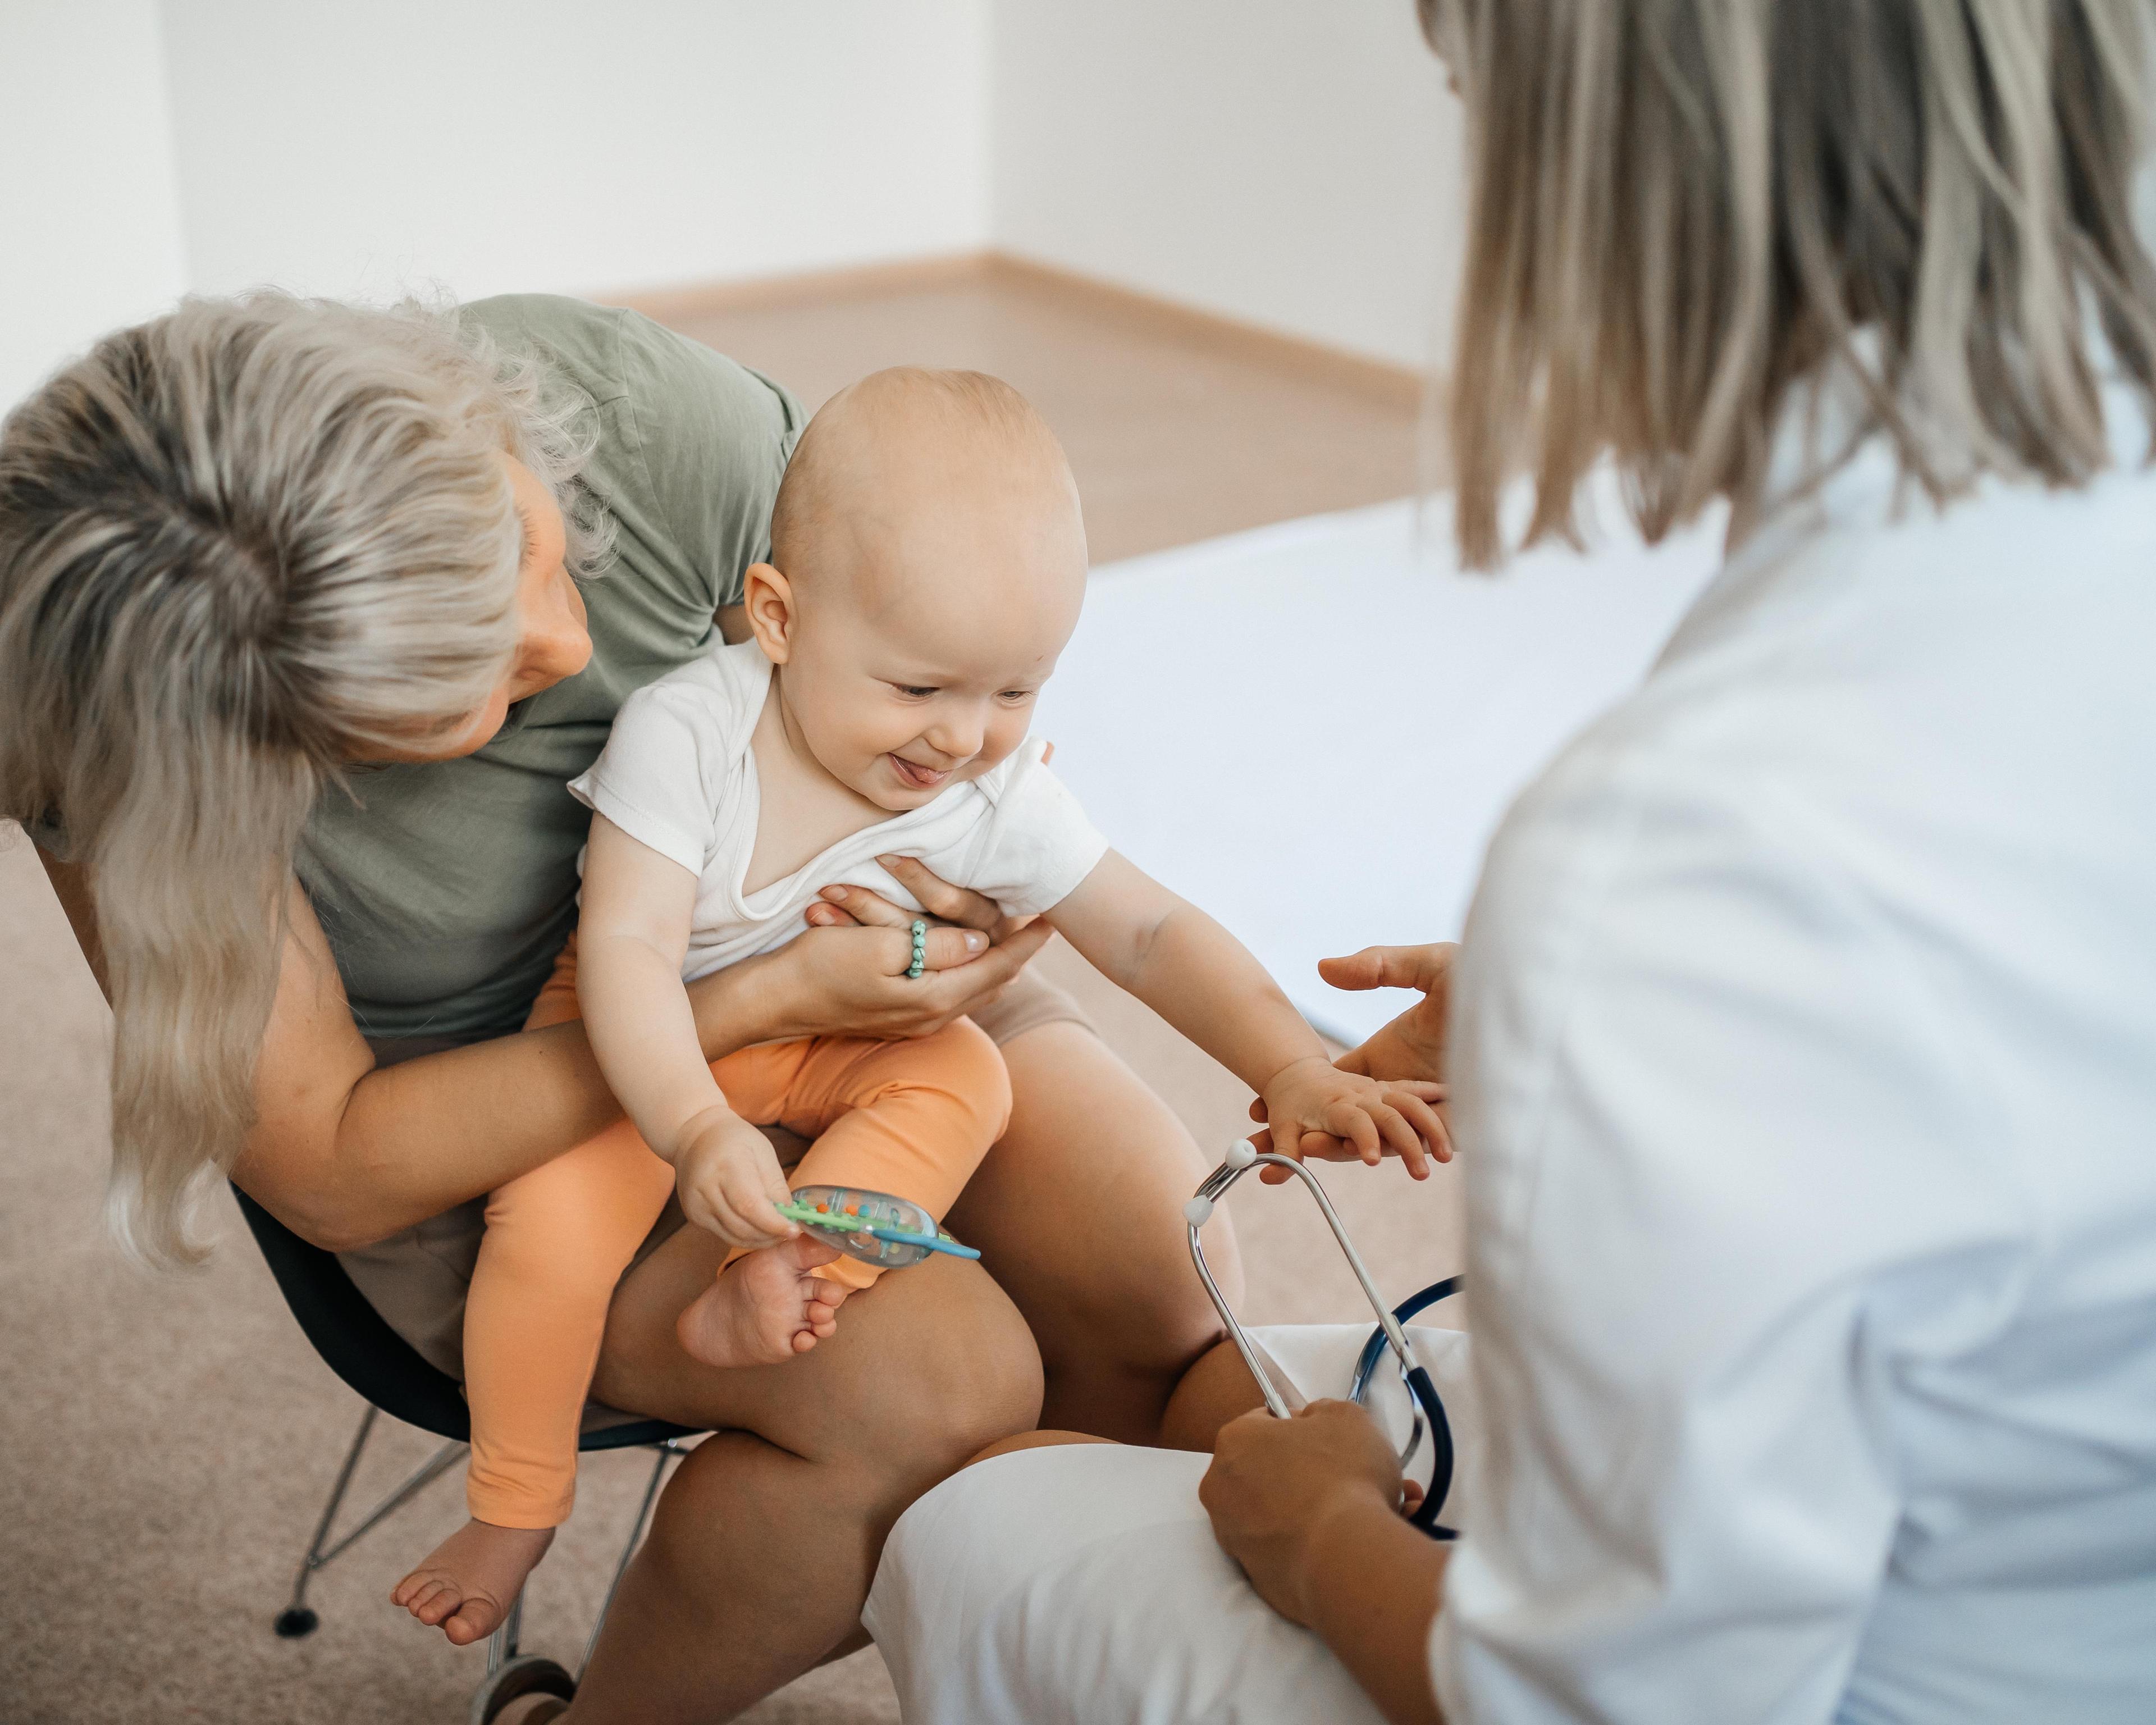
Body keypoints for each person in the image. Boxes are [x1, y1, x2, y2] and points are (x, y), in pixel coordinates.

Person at [862, 2, 2156, 1721]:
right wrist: (1631, 1033)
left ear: (1614, 159)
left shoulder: (1692, 844)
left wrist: (1326, 1537)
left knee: (976, 1517)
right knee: (1193, 1393)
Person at [0, 290, 1239, 1717]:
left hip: (822, 960)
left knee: (1166, 1267)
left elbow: (927, 640)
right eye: (473, 680)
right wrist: (746, 1004)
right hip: (500, 1124)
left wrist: (940, 865)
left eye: (528, 552)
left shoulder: (628, 412)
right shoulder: (137, 748)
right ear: (262, 750)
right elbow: (333, 1168)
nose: (571, 648)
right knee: (940, 1388)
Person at [399, 363, 1451, 1644]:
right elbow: (624, 952)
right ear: (778, 619)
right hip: (652, 1038)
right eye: (921, 689)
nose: (964, 738)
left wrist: (1291, 1063)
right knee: (546, 1234)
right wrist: (688, 1128)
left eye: (1016, 692)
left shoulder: (988, 785)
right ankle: (514, 1505)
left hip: (842, 1046)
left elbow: (1151, 928)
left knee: (965, 1078)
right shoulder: (690, 733)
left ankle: (805, 1262)